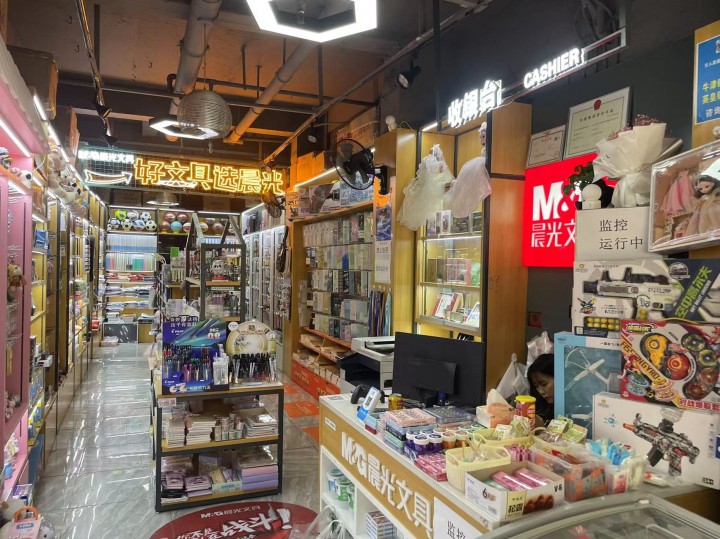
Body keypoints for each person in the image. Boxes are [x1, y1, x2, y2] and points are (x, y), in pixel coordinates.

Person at [527, 353, 555, 427]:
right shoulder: (539, 405)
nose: (541, 391)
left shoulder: (575, 408)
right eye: (536, 386)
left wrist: (542, 428)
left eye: (544, 384)